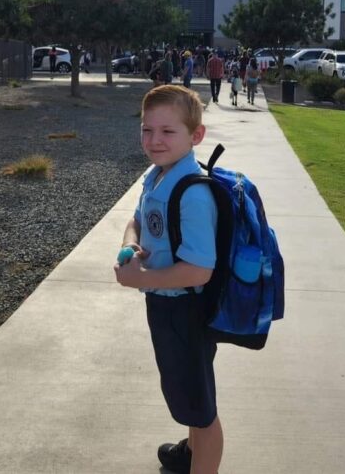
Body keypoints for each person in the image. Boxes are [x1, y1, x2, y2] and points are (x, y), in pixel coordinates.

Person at [114, 85, 222, 474]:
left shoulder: (191, 193)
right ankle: (188, 455)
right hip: (166, 303)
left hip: (186, 309)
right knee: (187, 390)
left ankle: (201, 458)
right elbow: (138, 220)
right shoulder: (158, 175)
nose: (154, 140)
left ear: (196, 136)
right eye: (147, 130)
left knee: (202, 408)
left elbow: (199, 269)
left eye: (167, 132)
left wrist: (139, 279)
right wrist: (131, 247)